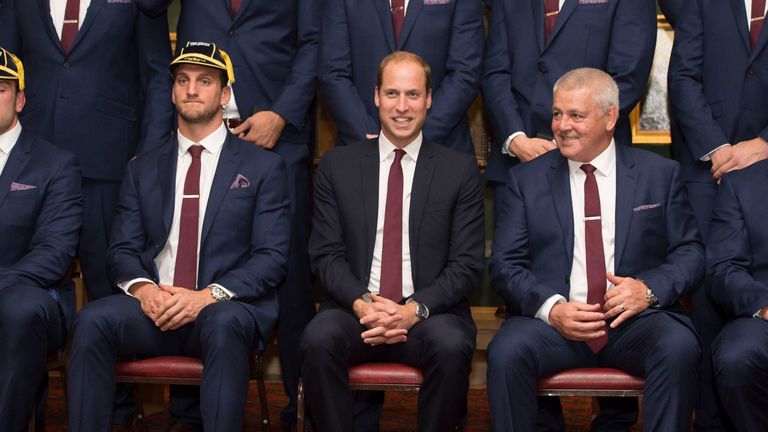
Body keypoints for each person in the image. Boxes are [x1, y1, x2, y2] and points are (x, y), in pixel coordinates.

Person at [66, 42, 291, 432]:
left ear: (224, 95)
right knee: (91, 321)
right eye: (183, 80)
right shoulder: (142, 168)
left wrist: (205, 297)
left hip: (222, 307)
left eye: (204, 81)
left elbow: (271, 258)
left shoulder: (264, 167)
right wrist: (145, 292)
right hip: (155, 308)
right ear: (171, 92)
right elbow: (121, 249)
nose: (191, 89)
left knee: (224, 326)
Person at [487, 68, 703, 431]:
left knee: (678, 347)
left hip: (632, 323)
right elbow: (505, 265)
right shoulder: (526, 180)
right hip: (554, 326)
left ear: (610, 117)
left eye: (576, 115)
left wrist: (647, 291)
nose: (562, 125)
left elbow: (690, 253)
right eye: (557, 114)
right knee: (506, 352)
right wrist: (552, 308)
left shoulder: (658, 175)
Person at [139, 2, 321, 427]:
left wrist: (282, 113)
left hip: (276, 137)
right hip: (196, 132)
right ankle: (189, 412)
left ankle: (301, 413)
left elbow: (313, 41)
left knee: (290, 280)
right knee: (190, 268)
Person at [300, 51, 484, 432]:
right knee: (317, 339)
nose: (402, 106)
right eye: (393, 93)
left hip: (430, 315)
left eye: (413, 95)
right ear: (376, 96)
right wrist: (364, 305)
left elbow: (465, 264)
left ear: (429, 99)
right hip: (355, 310)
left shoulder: (459, 169)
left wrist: (412, 309)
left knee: (451, 346)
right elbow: (325, 254)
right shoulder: (338, 164)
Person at [0, 0, 174, 301]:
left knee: (110, 283)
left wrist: (150, 153)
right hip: (31, 167)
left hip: (109, 163)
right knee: (24, 282)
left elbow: (158, 75)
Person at [668, 1, 768, 428]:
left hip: (765, 161)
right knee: (709, 297)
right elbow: (683, 76)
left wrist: (764, 143)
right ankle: (710, 421)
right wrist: (719, 148)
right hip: (706, 170)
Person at [481, 0, 656, 220]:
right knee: (511, 253)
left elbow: (628, 77)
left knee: (592, 252)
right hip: (516, 161)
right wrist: (515, 138)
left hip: (594, 163)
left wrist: (567, 137)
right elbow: (495, 73)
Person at [0, 47, 82, 432]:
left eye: (0, 89)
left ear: (19, 100)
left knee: (20, 309)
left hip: (32, 293)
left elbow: (54, 254)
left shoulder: (55, 164)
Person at [319, 0, 484, 155]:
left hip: (440, 148)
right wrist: (372, 138)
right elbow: (333, 72)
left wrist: (419, 137)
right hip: (361, 146)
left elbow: (465, 71)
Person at [707, 160, 768, 431]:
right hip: (763, 310)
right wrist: (765, 306)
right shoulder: (741, 184)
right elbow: (724, 267)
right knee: (737, 355)